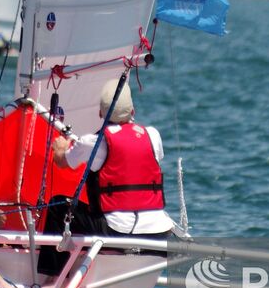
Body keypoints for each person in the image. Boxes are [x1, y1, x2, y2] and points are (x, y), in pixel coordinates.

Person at [50, 79, 175, 238]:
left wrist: (60, 148)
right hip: (158, 228)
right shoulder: (153, 135)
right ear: (133, 111)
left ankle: (53, 263)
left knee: (57, 206)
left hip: (116, 230)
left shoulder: (93, 142)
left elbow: (61, 161)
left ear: (101, 113)